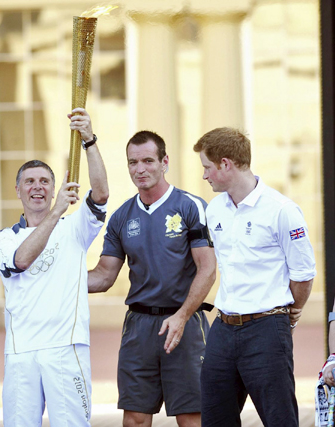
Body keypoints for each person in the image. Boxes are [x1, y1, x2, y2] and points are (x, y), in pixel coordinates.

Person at [0, 108, 108, 426]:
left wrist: (89, 140)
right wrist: (56, 212)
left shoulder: (75, 229)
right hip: (21, 352)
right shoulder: (0, 240)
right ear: (18, 191)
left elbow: (102, 194)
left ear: (54, 188)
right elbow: (22, 260)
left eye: (44, 181)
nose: (37, 187)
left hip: (66, 349)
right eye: (29, 181)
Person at [87, 130, 216, 427]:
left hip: (184, 324)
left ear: (164, 162)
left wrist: (182, 316)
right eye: (133, 162)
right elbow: (104, 275)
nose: (139, 169)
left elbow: (207, 268)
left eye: (147, 160)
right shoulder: (121, 216)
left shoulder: (190, 206)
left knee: (191, 418)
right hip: (139, 327)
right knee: (134, 418)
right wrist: (60, 280)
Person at [193, 127, 316, 426]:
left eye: (207, 168)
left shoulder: (282, 210)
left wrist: (289, 315)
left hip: (267, 329)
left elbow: (303, 274)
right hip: (222, 328)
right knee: (215, 418)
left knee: (279, 419)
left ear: (226, 164)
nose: (205, 176)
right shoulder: (215, 210)